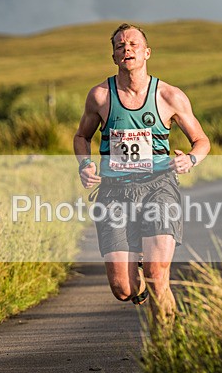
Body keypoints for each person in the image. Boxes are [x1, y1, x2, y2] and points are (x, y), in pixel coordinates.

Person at [74, 23, 210, 334]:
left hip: (158, 187)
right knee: (123, 288)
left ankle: (166, 350)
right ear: (114, 56)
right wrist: (85, 165)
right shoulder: (100, 96)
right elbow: (82, 136)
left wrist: (190, 160)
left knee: (157, 271)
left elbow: (201, 141)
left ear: (147, 52)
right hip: (113, 192)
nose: (127, 49)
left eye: (134, 44)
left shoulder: (169, 96)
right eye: (121, 46)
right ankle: (139, 284)